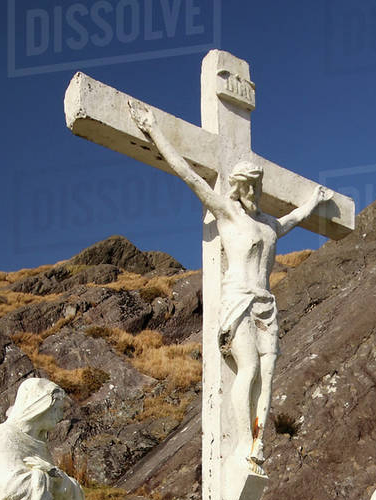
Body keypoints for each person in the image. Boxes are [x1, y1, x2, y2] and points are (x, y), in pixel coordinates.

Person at [128, 100, 331, 470]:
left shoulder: (270, 224)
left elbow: (295, 217)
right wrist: (154, 132)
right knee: (249, 370)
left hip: (265, 303)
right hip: (238, 299)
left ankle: (258, 444)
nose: (249, 189)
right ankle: (243, 443)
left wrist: (314, 201)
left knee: (268, 375)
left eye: (254, 184)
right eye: (245, 184)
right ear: (237, 186)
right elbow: (190, 176)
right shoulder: (227, 213)